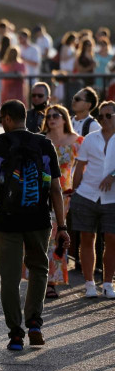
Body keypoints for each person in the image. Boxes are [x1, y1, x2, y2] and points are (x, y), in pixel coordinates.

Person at [0, 100, 68, 350]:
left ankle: (16, 334)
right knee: (39, 270)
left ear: (7, 118)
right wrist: (62, 226)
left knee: (10, 278)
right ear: (24, 118)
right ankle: (35, 323)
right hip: (39, 219)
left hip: (5, 221)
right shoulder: (44, 144)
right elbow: (55, 188)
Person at [69, 100, 115, 299]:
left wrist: (113, 175)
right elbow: (79, 168)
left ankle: (107, 283)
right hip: (87, 194)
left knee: (112, 240)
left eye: (108, 115)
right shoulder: (90, 139)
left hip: (112, 198)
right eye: (101, 116)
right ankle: (89, 283)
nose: (104, 120)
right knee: (87, 238)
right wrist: (74, 192)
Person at [40, 105, 83, 298]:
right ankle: (40, 277)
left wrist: (79, 188)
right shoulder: (40, 141)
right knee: (42, 236)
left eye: (56, 115)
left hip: (64, 196)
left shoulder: (76, 142)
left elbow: (87, 167)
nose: (51, 119)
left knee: (57, 237)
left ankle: (52, 281)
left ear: (65, 118)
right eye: (48, 116)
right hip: (41, 195)